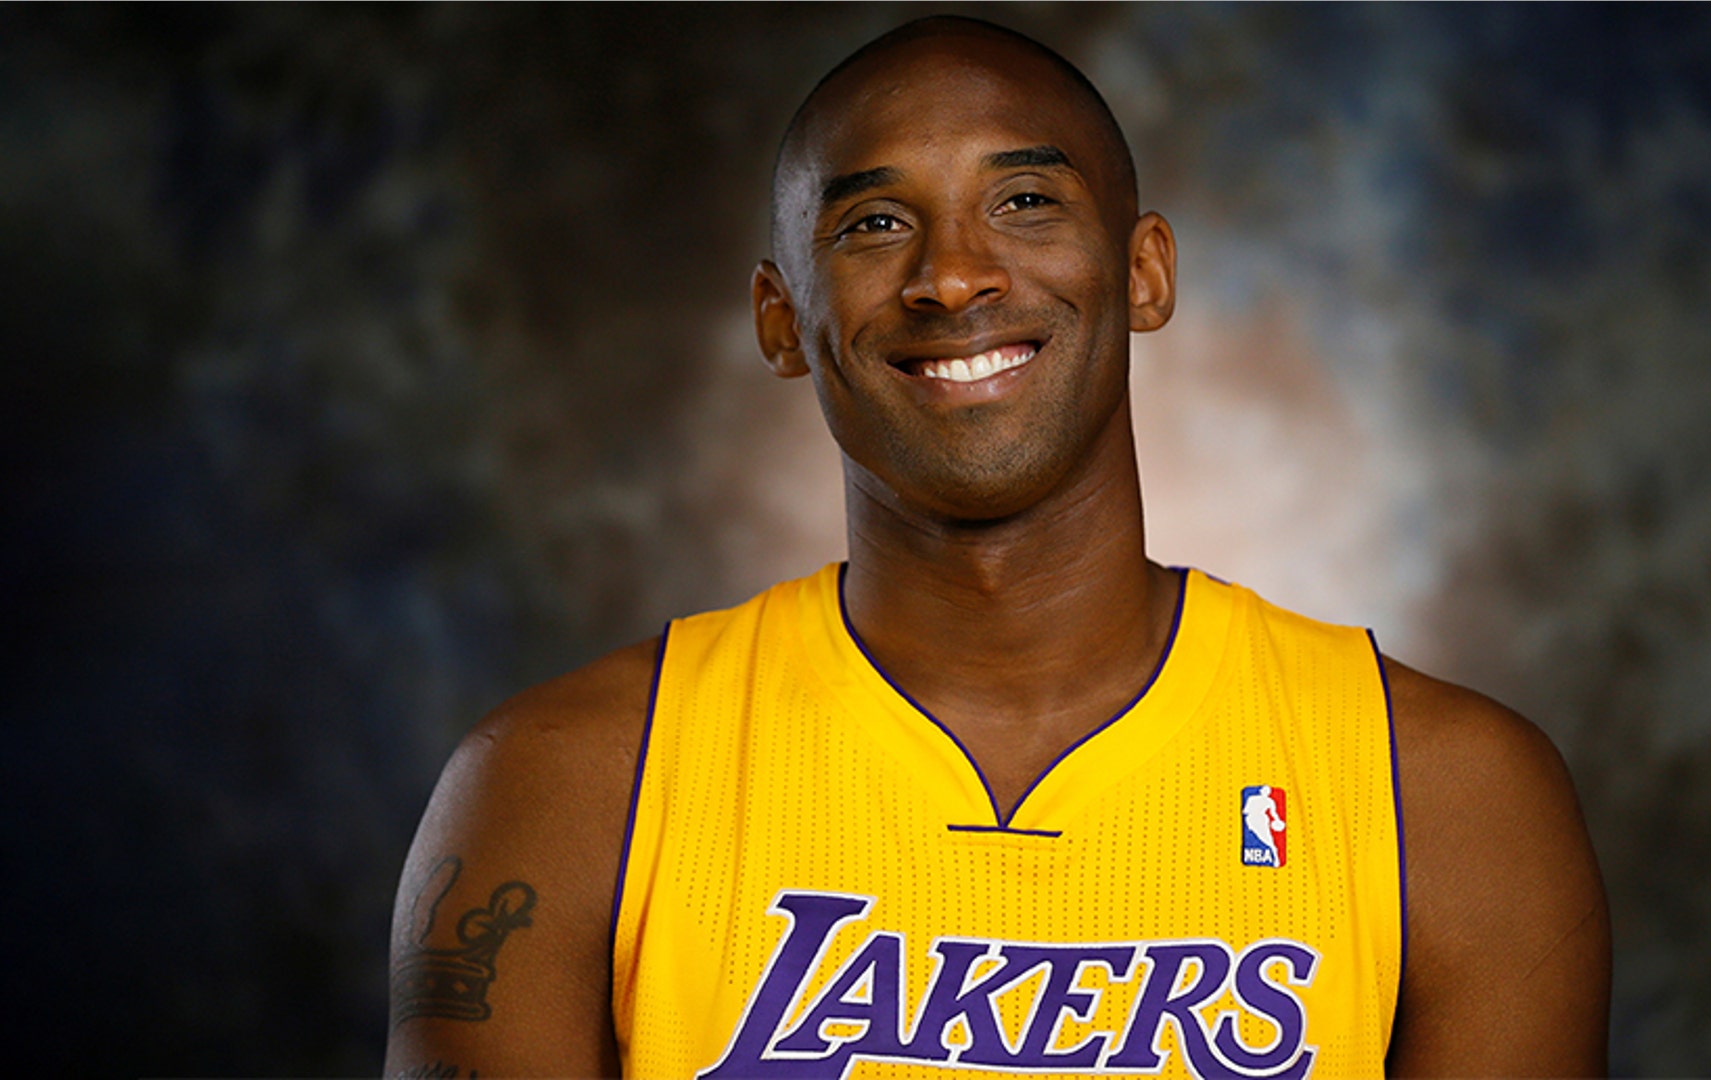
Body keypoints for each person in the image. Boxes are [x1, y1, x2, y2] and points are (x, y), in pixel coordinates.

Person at [384, 16, 1610, 1079]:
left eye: (1024, 201)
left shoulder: (1445, 797)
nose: (955, 275)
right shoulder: (565, 789)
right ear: (782, 322)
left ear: (1144, 271)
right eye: (872, 222)